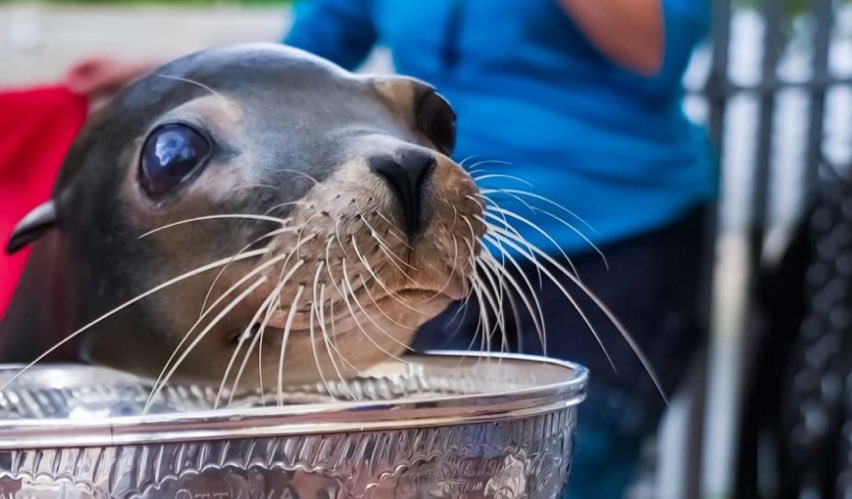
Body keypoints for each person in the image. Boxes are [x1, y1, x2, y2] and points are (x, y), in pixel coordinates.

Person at [64, 1, 715, 497]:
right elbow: (309, 51)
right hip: (432, 230)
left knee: (558, 471)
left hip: (614, 242)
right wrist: (158, 80)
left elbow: (655, 46)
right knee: (427, 472)